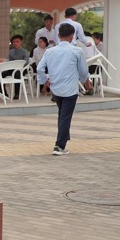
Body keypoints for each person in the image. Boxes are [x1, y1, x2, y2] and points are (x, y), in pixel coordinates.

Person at [37, 23, 91, 156]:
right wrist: (86, 82)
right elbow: (83, 71)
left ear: (59, 35)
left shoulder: (50, 51)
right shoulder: (77, 51)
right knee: (65, 117)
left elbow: (39, 68)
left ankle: (64, 137)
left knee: (62, 115)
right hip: (70, 90)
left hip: (56, 89)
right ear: (73, 36)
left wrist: (44, 81)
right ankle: (59, 145)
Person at [7, 35, 30, 100]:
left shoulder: (24, 52)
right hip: (12, 68)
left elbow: (26, 62)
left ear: (21, 42)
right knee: (0, 73)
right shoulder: (11, 51)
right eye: (14, 42)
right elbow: (8, 60)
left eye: (17, 42)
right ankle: (4, 93)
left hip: (21, 69)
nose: (15, 43)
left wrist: (17, 66)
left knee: (17, 74)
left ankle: (17, 94)